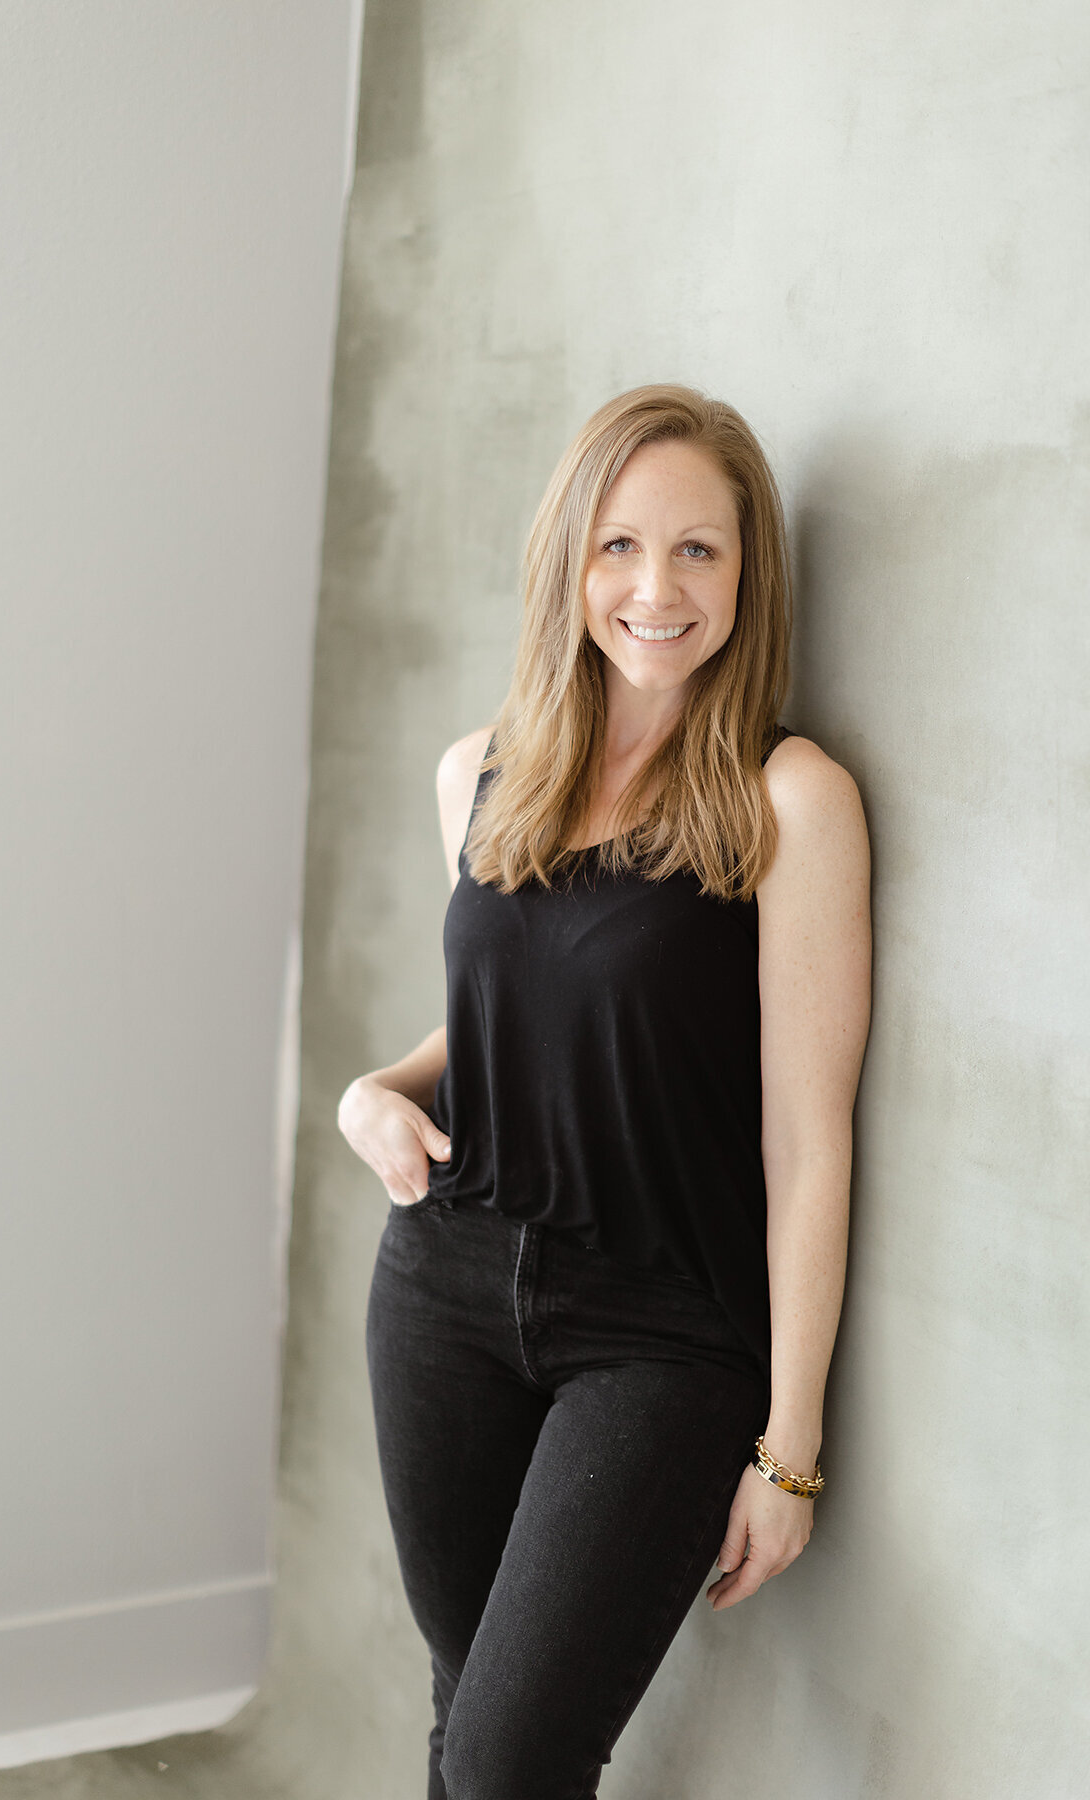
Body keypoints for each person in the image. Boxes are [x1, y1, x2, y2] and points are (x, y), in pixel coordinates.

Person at [337, 383, 872, 1799]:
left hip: (660, 1331)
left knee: (513, 1759)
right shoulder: (482, 776)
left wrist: (792, 1446)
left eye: (700, 549)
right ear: (568, 559)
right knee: (466, 1725)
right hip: (444, 1293)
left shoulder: (787, 799)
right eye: (621, 546)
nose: (656, 588)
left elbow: (810, 1141)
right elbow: (493, 1025)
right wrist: (370, 1094)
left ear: (750, 572)